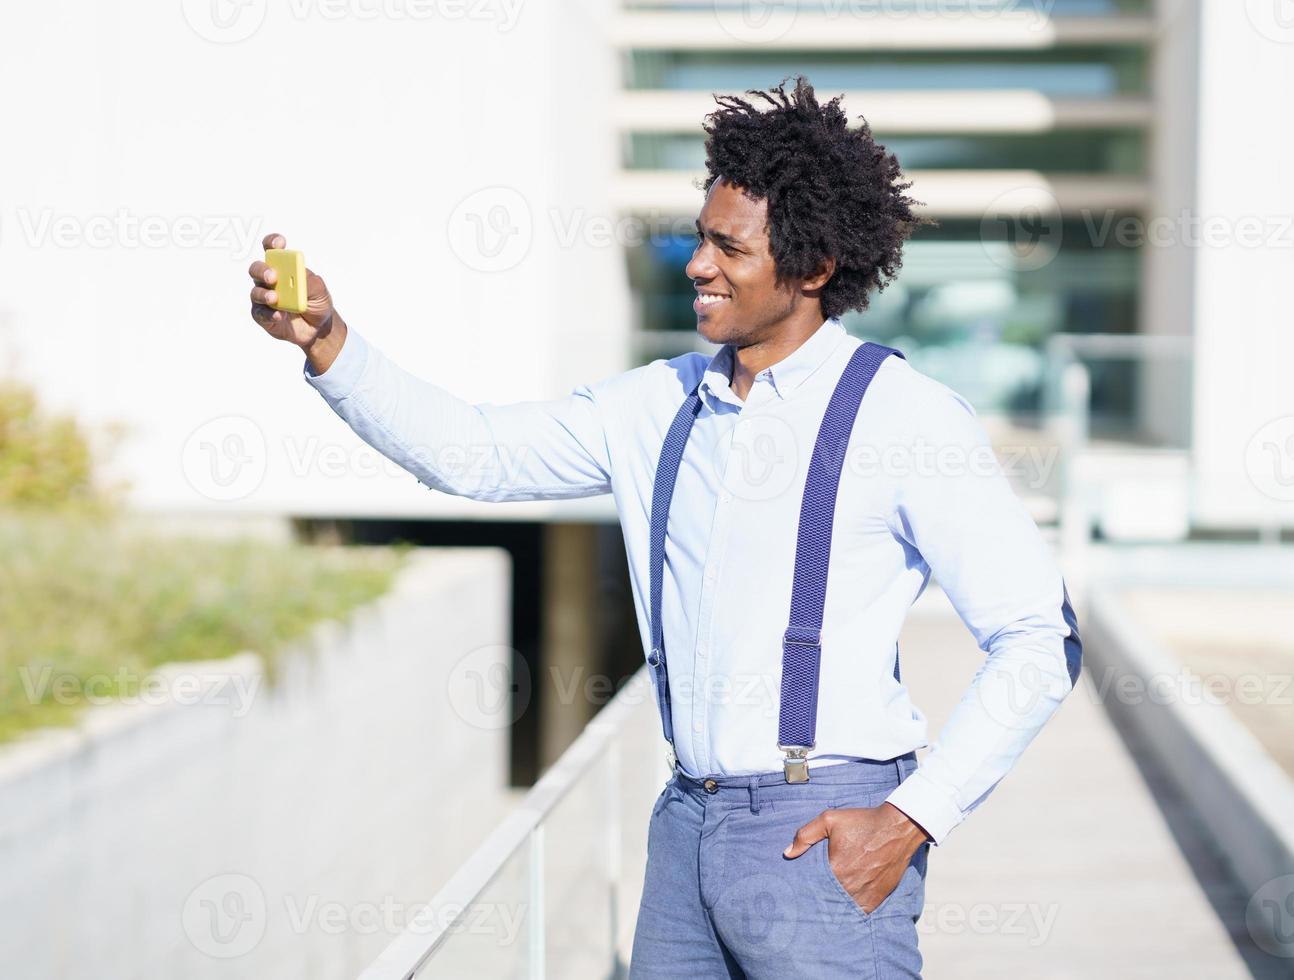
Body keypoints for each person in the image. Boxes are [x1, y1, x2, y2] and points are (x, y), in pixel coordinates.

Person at [246, 75, 1081, 979]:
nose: (697, 264)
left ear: (811, 269)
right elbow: (474, 453)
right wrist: (330, 344)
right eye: (700, 237)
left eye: (729, 247)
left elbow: (1040, 638)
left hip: (829, 833)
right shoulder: (656, 404)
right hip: (684, 827)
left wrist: (915, 816)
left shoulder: (907, 418)